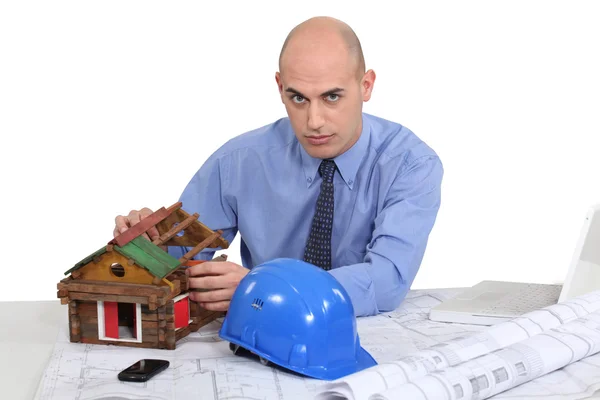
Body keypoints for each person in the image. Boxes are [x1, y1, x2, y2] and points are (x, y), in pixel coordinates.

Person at [113, 16, 443, 317]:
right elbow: (179, 259)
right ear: (279, 87)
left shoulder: (411, 165)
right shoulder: (239, 161)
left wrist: (268, 289)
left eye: (331, 97)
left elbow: (386, 282)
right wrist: (144, 245)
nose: (314, 122)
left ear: (366, 86)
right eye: (298, 98)